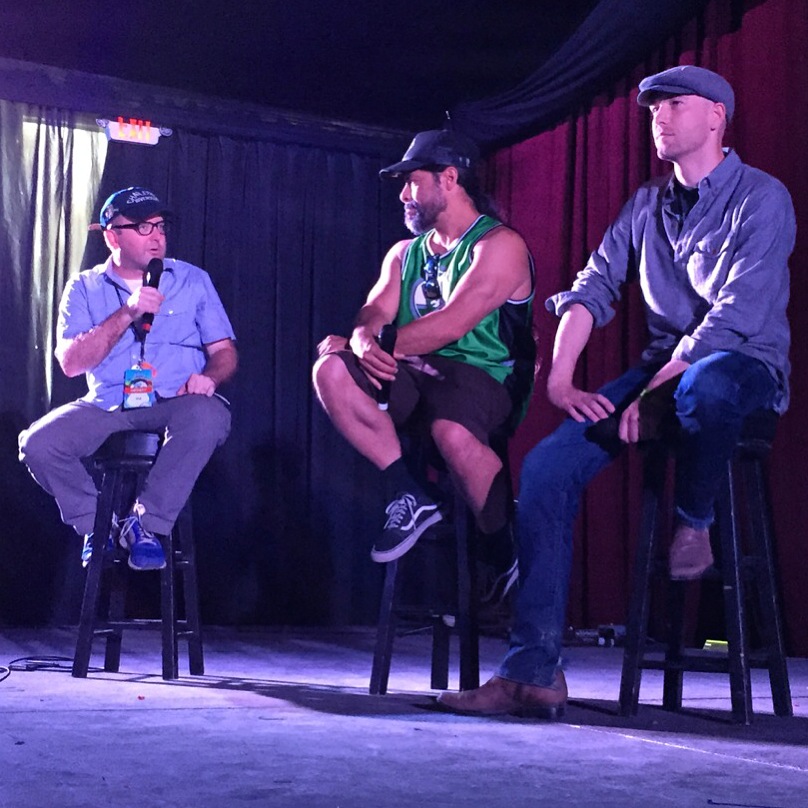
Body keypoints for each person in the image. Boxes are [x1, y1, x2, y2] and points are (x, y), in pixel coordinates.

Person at [437, 66, 796, 717]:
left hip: (742, 366)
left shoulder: (761, 197)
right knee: (547, 467)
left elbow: (736, 315)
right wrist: (561, 376)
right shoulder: (645, 206)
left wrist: (649, 392)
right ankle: (533, 672)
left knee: (703, 393)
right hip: (661, 372)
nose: (659, 117)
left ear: (716, 116)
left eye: (674, 105)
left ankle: (695, 524)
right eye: (653, 108)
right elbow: (592, 288)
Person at [312, 129, 535, 573]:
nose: (403, 195)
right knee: (330, 371)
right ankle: (410, 492)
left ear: (449, 179)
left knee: (450, 430)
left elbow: (454, 323)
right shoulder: (403, 253)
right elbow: (374, 308)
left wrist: (380, 343)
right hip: (412, 370)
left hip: (485, 377)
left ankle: (501, 550)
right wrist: (360, 339)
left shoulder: (500, 244)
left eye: (412, 182)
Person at [19, 187, 238, 571]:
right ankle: (98, 526)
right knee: (38, 443)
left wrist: (209, 378)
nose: (157, 236)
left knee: (209, 417)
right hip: (109, 403)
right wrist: (127, 312)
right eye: (142, 226)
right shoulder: (84, 288)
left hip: (175, 399)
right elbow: (71, 364)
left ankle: (145, 523)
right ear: (111, 235)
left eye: (160, 225)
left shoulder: (192, 280)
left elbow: (225, 353)